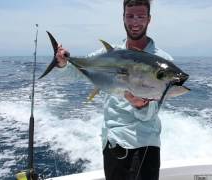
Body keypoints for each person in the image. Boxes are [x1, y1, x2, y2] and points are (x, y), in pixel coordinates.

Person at [55, 0, 173, 179]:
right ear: (123, 18)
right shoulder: (109, 54)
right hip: (113, 142)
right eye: (130, 16)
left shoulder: (162, 61)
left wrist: (141, 106)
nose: (135, 22)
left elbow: (152, 112)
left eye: (141, 17)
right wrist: (63, 63)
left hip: (145, 144)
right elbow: (71, 74)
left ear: (149, 19)